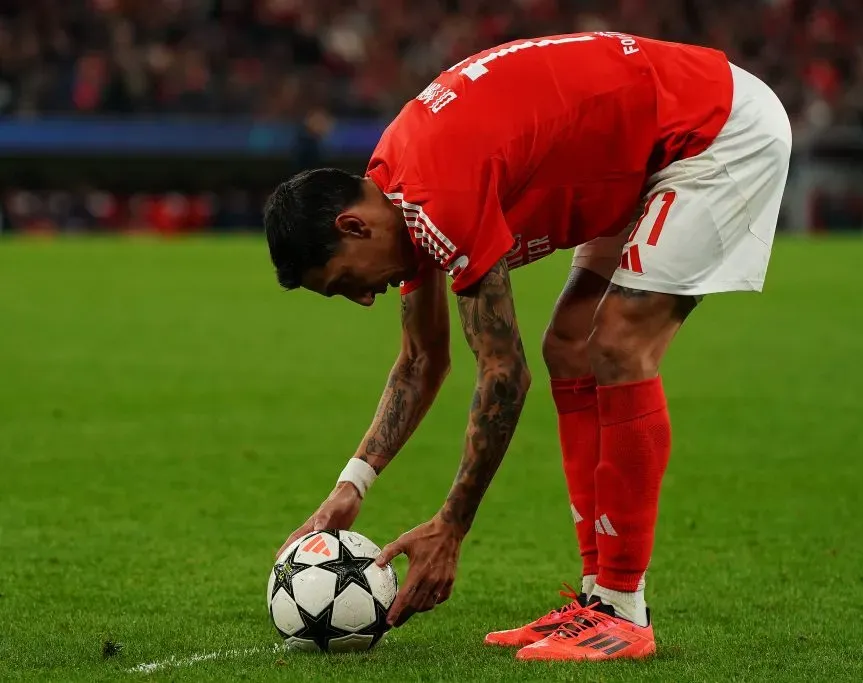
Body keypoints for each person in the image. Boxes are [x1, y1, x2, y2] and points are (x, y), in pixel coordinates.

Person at [263, 31, 791, 661]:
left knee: (619, 346)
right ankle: (600, 602)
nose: (364, 298)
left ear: (352, 226)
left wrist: (451, 526)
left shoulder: (436, 196)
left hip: (711, 131)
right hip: (641, 141)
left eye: (346, 282)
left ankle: (622, 609)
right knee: (569, 345)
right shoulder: (394, 186)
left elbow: (502, 375)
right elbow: (422, 360)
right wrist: (353, 484)